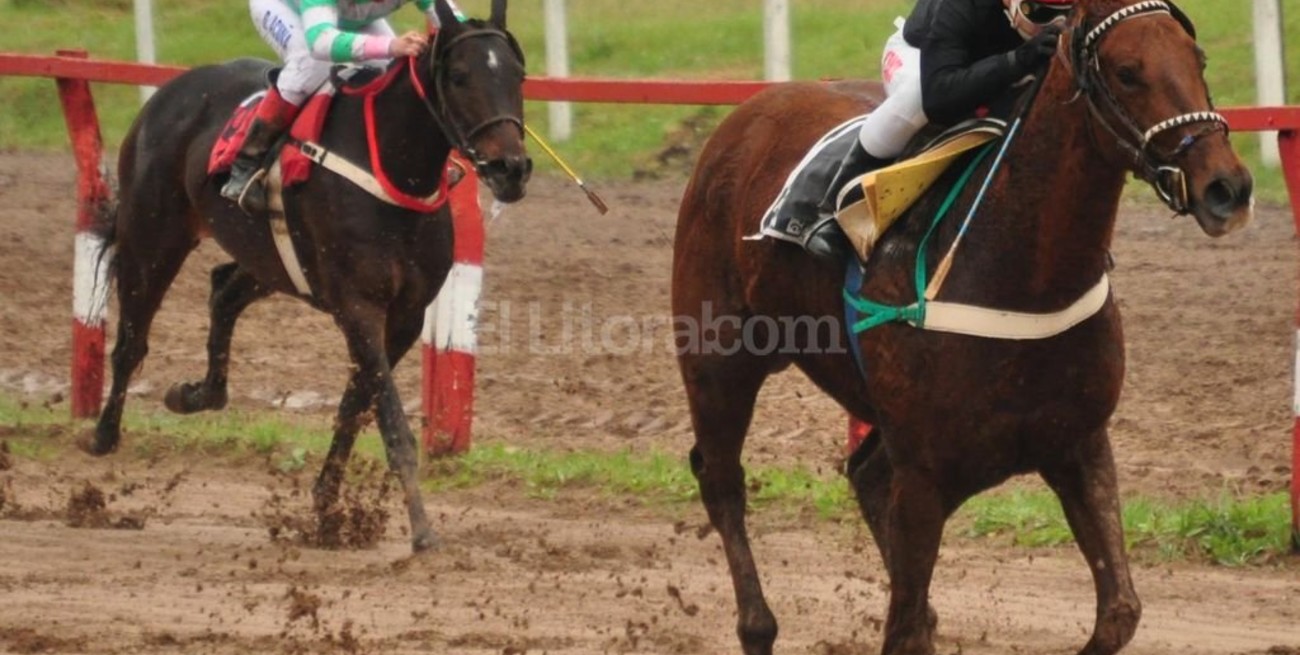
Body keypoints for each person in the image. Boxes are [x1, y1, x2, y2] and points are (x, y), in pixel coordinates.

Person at [805, 0, 1072, 260]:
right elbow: (939, 97)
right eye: (1039, 12)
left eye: (1067, 14)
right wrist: (1017, 61)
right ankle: (832, 208)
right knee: (916, 98)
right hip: (923, 57)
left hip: (989, 58)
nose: (1056, 25)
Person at [223, 0, 466, 211]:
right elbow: (320, 44)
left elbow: (457, 25)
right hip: (285, 8)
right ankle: (246, 165)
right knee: (308, 65)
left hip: (348, 17)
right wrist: (391, 45)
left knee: (394, 66)